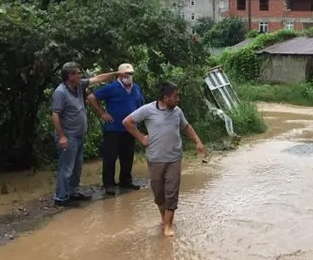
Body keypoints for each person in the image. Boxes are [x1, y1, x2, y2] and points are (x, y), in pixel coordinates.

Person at [122, 82, 206, 237]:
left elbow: (186, 126)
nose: (178, 99)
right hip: (155, 159)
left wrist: (198, 141)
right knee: (159, 194)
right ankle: (164, 218)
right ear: (166, 98)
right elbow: (127, 122)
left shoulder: (177, 112)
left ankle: (168, 225)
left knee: (172, 193)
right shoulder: (148, 110)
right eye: (175, 96)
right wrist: (141, 137)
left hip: (174, 158)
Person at [51, 62, 118, 207]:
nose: (81, 75)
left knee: (77, 166)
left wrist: (116, 74)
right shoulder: (60, 92)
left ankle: (73, 192)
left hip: (79, 135)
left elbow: (98, 79)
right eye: (78, 73)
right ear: (70, 76)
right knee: (66, 167)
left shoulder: (79, 85)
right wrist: (62, 136)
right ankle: (61, 197)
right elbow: (55, 115)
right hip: (68, 136)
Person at [87, 63, 145, 195]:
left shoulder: (136, 88)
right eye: (125, 74)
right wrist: (102, 113)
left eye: (130, 74)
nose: (128, 76)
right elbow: (91, 98)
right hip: (113, 128)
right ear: (119, 75)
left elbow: (141, 105)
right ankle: (108, 184)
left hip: (130, 129)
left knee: (128, 156)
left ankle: (126, 181)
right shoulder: (112, 88)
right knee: (110, 157)